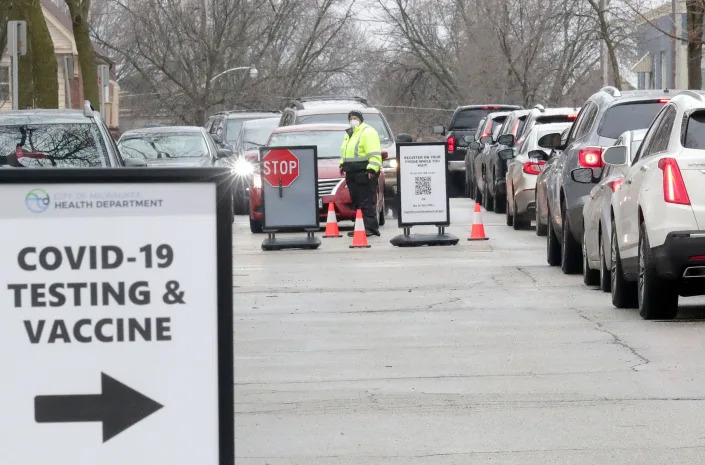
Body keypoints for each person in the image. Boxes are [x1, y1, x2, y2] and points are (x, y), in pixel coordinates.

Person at [339, 110, 383, 237]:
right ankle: (360, 227)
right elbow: (345, 152)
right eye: (351, 118)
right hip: (352, 173)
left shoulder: (368, 132)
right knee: (357, 201)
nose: (353, 120)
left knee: (366, 201)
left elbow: (374, 153)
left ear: (360, 119)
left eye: (355, 118)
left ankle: (370, 227)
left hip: (364, 172)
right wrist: (343, 164)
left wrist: (372, 170)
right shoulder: (349, 134)